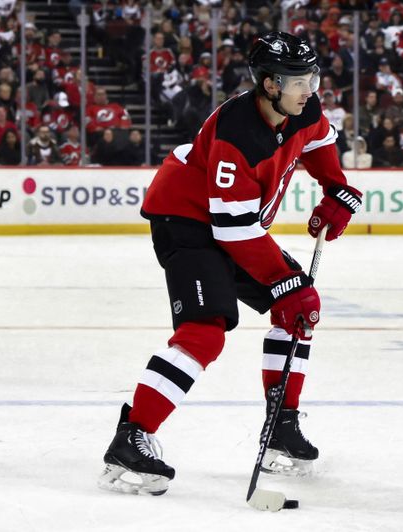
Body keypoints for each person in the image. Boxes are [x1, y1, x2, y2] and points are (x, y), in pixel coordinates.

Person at [99, 31, 362, 496]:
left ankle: (281, 428)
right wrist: (285, 279)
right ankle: (131, 437)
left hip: (232, 224)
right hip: (187, 219)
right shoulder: (236, 133)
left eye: (312, 77)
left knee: (297, 313)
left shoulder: (306, 108)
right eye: (298, 81)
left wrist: (336, 189)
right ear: (269, 85)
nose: (310, 89)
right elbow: (232, 229)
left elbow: (320, 139)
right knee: (206, 329)